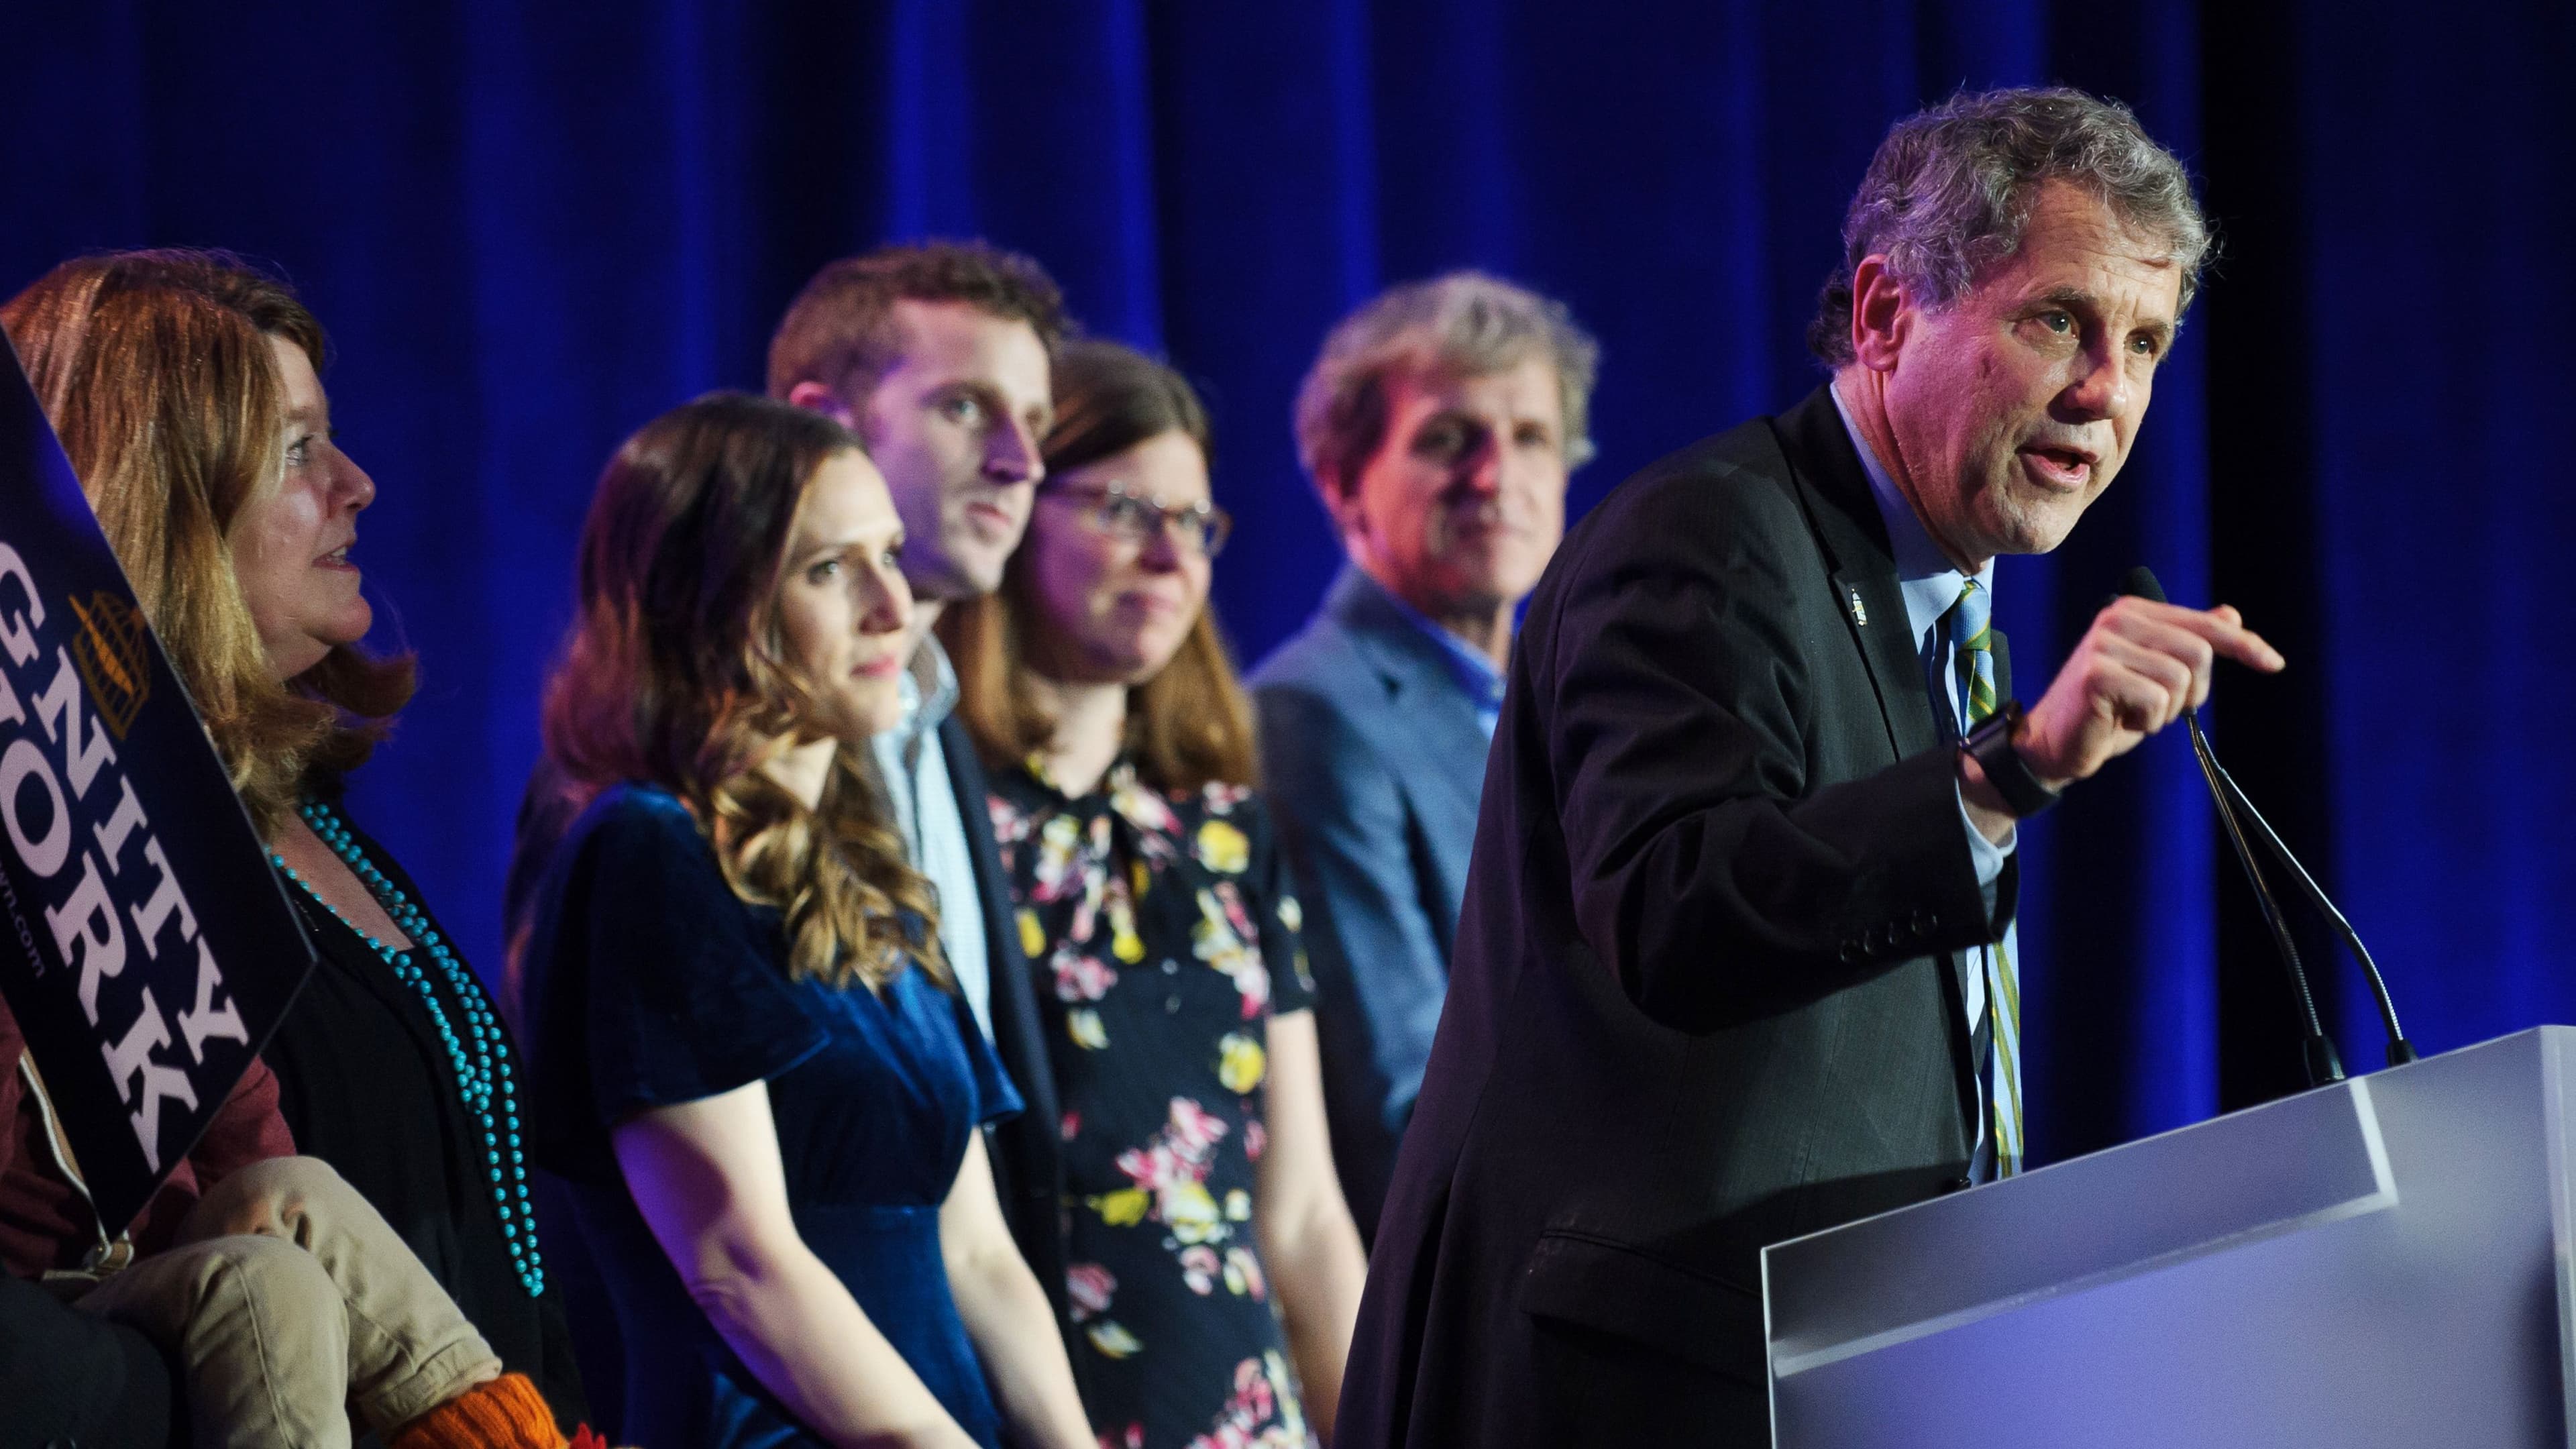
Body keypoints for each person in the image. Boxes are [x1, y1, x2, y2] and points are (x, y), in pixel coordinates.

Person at [1334, 87, 2284, 1447]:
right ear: (1890, 313)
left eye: (2144, 342)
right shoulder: (1709, 541)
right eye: (2058, 320)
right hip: (1624, 1391)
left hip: (1828, 1366)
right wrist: (2006, 777)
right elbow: (1677, 910)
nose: (2107, 391)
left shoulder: (1947, 609)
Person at [1, 250, 589, 1429]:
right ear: (164, 502)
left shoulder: (308, 815)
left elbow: (271, 1162)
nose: (360, 483)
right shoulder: (54, 821)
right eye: (298, 450)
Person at [512, 393, 1093, 1449]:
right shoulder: (648, 852)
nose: (893, 604)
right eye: (829, 570)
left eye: (891, 555)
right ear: (713, 604)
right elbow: (738, 1263)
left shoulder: (870, 871)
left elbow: (977, 1255)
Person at [941, 339, 1367, 1447]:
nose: (1172, 557)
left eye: (1196, 525)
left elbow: (1307, 1212)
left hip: (1243, 1415)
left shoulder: (1224, 831)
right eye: (1129, 510)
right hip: (1033, 1414)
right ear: (1024, 507)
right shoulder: (940, 824)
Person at [761, 239, 1080, 1345]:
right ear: (826, 422)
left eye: (1035, 424)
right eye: (965, 408)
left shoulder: (942, 726)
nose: (1019, 461)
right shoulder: (711, 772)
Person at [1246, 272, 1598, 1238]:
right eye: (1448, 440)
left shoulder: (1563, 697)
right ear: (1342, 480)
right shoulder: (1311, 713)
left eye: (1530, 439)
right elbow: (1403, 1102)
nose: (1496, 477)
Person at [3, 1002, 564, 1449]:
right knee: (268, 1280)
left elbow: (243, 1134)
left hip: (157, 1269)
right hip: (42, 1296)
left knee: (296, 1190)